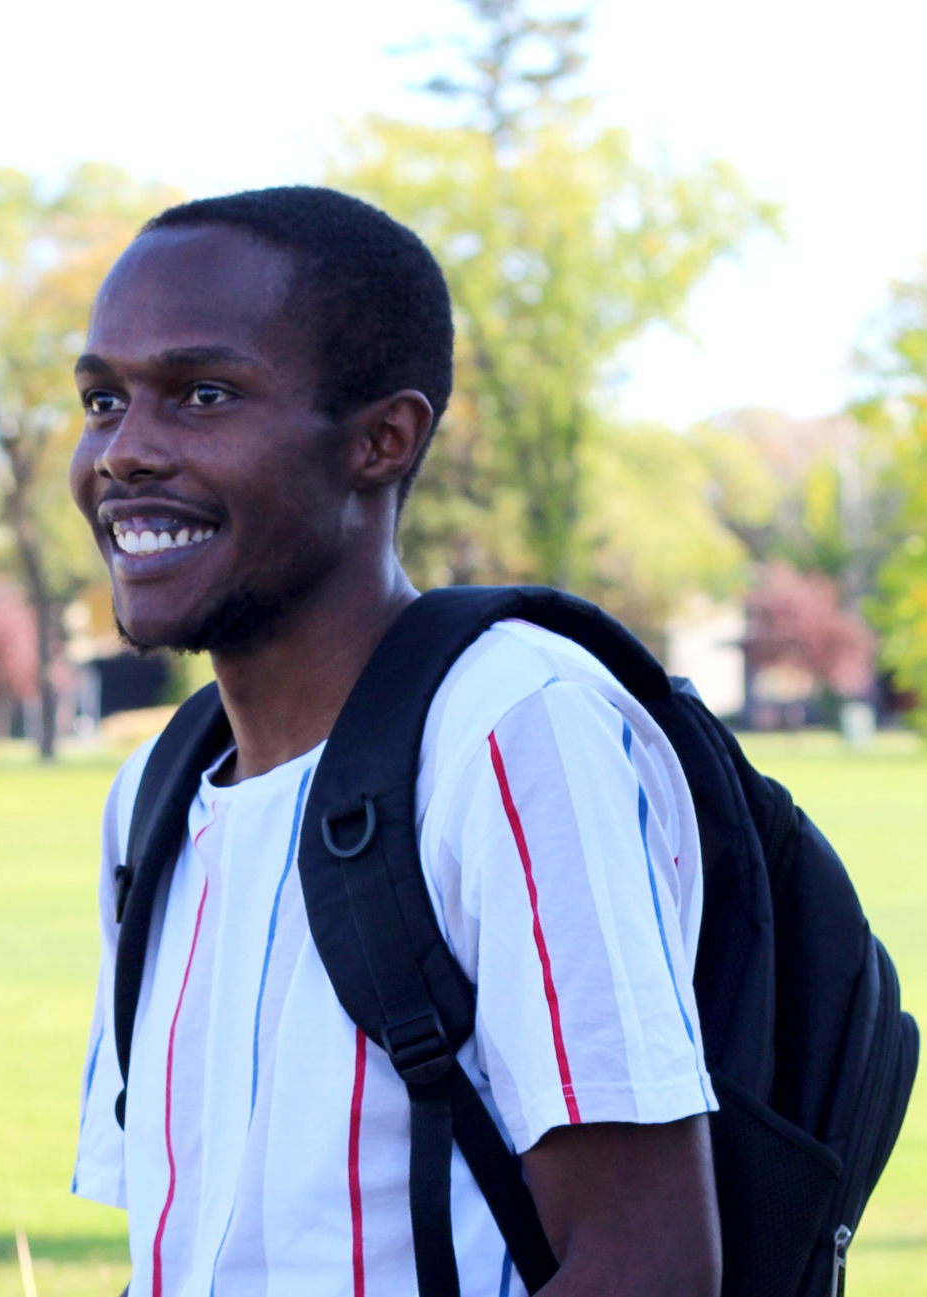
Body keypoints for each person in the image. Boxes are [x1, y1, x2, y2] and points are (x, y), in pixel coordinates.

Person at [67, 186, 721, 1297]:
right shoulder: (157, 794)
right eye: (101, 401)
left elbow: (648, 1261)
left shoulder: (510, 725)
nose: (125, 452)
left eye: (203, 394)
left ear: (382, 439)